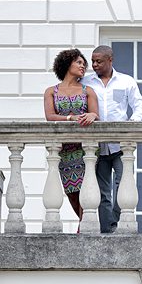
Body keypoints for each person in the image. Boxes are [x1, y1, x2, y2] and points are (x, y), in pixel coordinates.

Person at [82, 45, 142, 233]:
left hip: (120, 145)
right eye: (92, 61)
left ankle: (116, 221)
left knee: (123, 184)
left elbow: (140, 105)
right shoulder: (87, 82)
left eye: (98, 61)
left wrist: (131, 124)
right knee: (102, 189)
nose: (94, 65)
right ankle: (107, 228)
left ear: (110, 60)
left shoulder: (126, 81)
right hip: (97, 146)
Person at [44, 48, 99, 222]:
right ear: (67, 64)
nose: (83, 67)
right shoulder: (51, 91)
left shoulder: (87, 90)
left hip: (85, 149)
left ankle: (82, 228)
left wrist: (92, 115)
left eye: (84, 64)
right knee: (72, 193)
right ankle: (83, 224)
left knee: (85, 189)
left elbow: (96, 115)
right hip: (64, 150)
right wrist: (70, 117)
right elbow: (50, 116)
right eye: (79, 62)